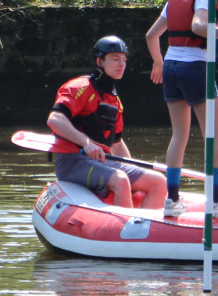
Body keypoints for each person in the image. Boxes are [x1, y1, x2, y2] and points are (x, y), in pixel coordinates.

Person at [145, 0, 218, 219]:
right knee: (213, 135)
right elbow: (199, 27)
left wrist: (158, 63)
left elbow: (151, 36)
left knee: (179, 136)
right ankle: (216, 200)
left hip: (172, 67)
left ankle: (172, 200)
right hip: (195, 68)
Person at [47, 35, 169, 211]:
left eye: (124, 60)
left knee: (159, 181)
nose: (121, 64)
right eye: (115, 59)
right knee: (120, 179)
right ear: (100, 61)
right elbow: (54, 119)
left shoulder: (115, 101)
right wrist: (85, 142)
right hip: (73, 161)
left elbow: (117, 144)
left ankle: (147, 230)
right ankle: (127, 230)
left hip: (104, 162)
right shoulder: (80, 87)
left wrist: (132, 167)